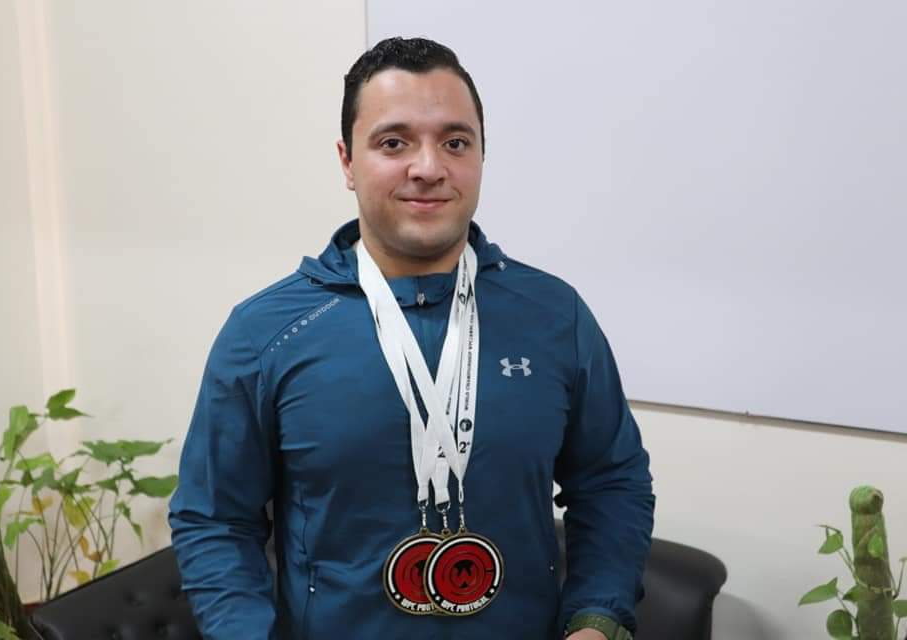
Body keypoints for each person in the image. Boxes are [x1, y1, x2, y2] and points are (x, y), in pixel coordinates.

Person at [169, 36, 654, 640]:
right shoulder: (265, 333)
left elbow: (612, 482)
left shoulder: (556, 316)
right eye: (393, 142)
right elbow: (215, 519)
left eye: (455, 142)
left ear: (481, 155)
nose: (428, 168)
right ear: (347, 162)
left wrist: (596, 619)